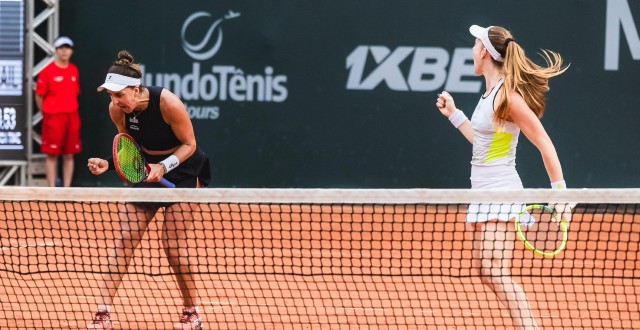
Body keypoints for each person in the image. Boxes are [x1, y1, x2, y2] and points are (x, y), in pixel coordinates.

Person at [435, 25, 572, 330]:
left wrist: (561, 193)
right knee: (487, 272)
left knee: (495, 270)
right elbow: (487, 149)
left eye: (474, 44)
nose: (472, 50)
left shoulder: (507, 96)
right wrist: (455, 115)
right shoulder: (490, 96)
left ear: (484, 52)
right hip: (483, 193)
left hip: (501, 193)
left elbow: (543, 141)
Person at [86, 50, 211, 330]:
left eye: (120, 95)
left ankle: (192, 312)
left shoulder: (167, 103)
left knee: (172, 246)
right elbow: (130, 148)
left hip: (183, 170)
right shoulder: (117, 110)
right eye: (110, 95)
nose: (115, 101)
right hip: (147, 170)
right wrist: (108, 164)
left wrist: (163, 168)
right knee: (127, 238)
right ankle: (103, 312)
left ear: (136, 88)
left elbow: (190, 144)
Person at [35, 36, 82, 187]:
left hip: (71, 116)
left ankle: (66, 189)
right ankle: (51, 189)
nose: (64, 51)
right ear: (56, 50)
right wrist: (46, 112)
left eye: (67, 48)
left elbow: (74, 93)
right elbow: (39, 95)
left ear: (71, 51)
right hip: (53, 117)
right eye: (61, 48)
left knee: (69, 155)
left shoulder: (74, 70)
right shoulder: (47, 71)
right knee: (52, 154)